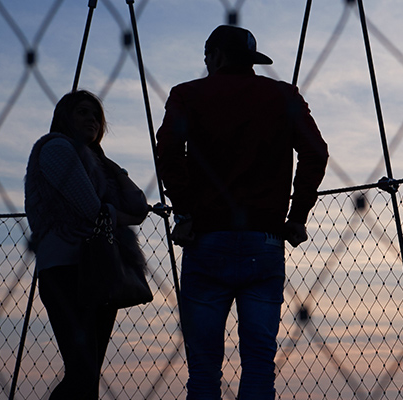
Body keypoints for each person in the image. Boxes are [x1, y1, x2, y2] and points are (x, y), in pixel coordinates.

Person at [156, 25, 329, 399]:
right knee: (258, 366)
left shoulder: (187, 95)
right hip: (264, 240)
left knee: (202, 370)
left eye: (207, 58)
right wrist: (297, 216)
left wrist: (184, 212)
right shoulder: (283, 95)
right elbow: (316, 153)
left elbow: (168, 152)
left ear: (215, 56)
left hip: (206, 239)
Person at [24, 90, 151, 399]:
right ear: (65, 117)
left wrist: (114, 169)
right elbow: (91, 210)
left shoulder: (95, 163)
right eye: (82, 112)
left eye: (96, 116)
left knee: (88, 374)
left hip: (98, 268)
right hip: (66, 269)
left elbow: (138, 207)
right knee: (82, 371)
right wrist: (116, 213)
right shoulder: (56, 148)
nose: (91, 120)